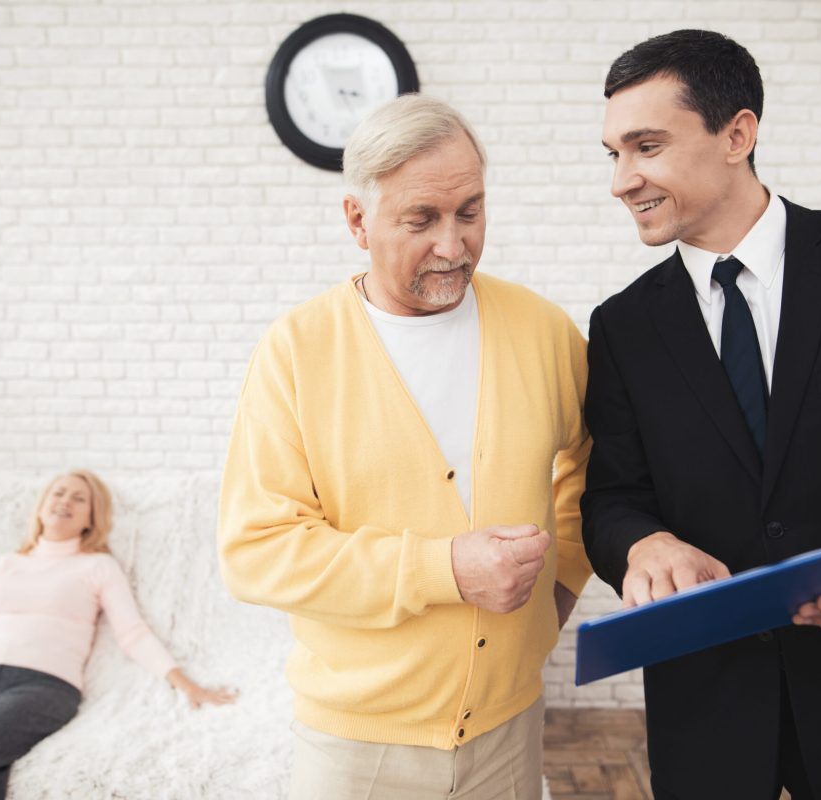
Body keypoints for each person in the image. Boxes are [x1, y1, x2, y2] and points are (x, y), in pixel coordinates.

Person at [218, 93, 592, 800]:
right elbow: (255, 552)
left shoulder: (544, 330)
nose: (454, 246)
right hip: (356, 746)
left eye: (470, 213)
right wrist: (442, 568)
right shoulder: (295, 351)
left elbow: (594, 460)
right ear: (358, 220)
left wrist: (561, 578)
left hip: (511, 730)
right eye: (421, 219)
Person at [581, 28, 821, 800]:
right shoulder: (623, 325)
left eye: (646, 146)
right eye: (614, 154)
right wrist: (645, 543)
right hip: (708, 715)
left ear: (738, 134)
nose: (621, 180)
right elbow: (612, 499)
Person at [0, 470, 235, 800]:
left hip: (41, 686)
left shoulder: (98, 566)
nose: (65, 501)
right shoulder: (3, 565)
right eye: (58, 493)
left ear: (90, 518)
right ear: (41, 506)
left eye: (79, 498)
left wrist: (186, 684)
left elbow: (132, 633)